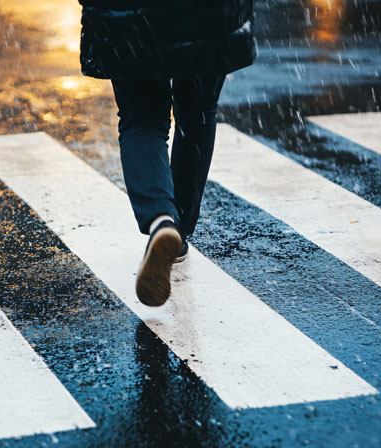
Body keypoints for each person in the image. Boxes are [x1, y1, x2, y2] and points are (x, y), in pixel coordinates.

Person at [78, 0, 256, 306]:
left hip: (129, 14)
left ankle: (162, 219)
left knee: (142, 116)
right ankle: (179, 230)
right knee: (197, 111)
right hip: (207, 13)